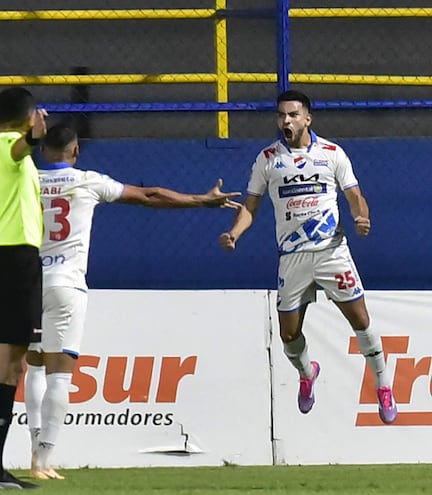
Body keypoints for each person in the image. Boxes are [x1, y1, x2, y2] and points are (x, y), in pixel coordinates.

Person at [24, 124, 241, 480]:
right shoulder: (87, 181)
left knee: (33, 365)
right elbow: (150, 195)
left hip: (29, 281)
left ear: (41, 148)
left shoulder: (26, 179)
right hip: (68, 284)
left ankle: (34, 450)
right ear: (75, 152)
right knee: (59, 372)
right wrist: (202, 200)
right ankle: (43, 459)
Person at [219, 89, 397, 425]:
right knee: (288, 335)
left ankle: (383, 385)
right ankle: (307, 372)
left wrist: (361, 216)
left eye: (292, 115)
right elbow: (251, 206)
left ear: (307, 118)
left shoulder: (331, 153)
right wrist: (234, 233)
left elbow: (355, 195)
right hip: (292, 257)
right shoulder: (268, 159)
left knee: (361, 320)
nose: (285, 121)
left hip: (331, 251)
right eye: (281, 115)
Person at [0, 87, 48, 489]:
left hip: (12, 258)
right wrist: (32, 138)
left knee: (9, 365)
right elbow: (18, 151)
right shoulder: (9, 145)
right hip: (14, 258)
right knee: (11, 364)